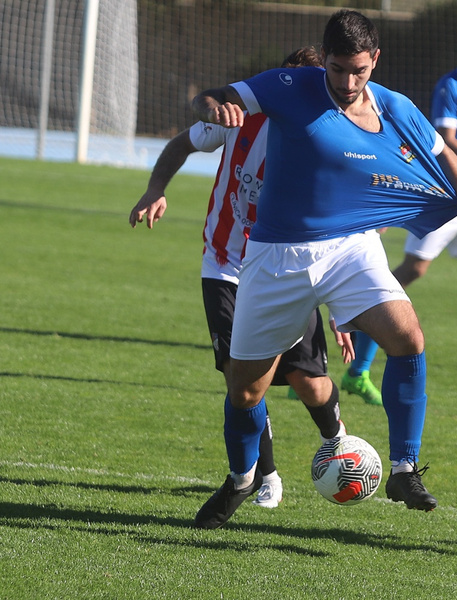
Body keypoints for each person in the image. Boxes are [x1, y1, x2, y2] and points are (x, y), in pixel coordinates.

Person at [189, 10, 457, 514]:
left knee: (408, 337)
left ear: (374, 60)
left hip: (349, 246)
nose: (347, 81)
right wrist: (212, 107)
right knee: (245, 390)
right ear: (325, 59)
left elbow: (446, 158)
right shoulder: (291, 85)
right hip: (277, 256)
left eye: (358, 70)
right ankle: (243, 477)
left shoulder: (395, 106)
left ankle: (404, 469)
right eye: (337, 69)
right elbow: (214, 95)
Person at [130, 47, 354, 529]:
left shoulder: (327, 136)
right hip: (227, 265)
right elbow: (184, 138)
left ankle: (342, 450)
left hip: (288, 270)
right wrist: (156, 189)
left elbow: (341, 230)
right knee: (242, 380)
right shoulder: (242, 118)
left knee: (311, 384)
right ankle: (256, 474)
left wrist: (342, 311)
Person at [341, 21, 457, 404]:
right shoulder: (450, 87)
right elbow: (450, 143)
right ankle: (358, 363)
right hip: (444, 195)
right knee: (411, 272)